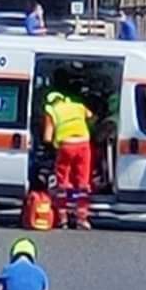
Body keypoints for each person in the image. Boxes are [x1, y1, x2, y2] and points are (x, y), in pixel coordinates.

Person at [42, 70, 95, 230]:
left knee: (62, 184)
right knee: (83, 183)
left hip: (66, 146)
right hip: (84, 144)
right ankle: (82, 219)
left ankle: (63, 219)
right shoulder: (77, 106)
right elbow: (91, 116)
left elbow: (47, 137)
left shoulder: (51, 111)